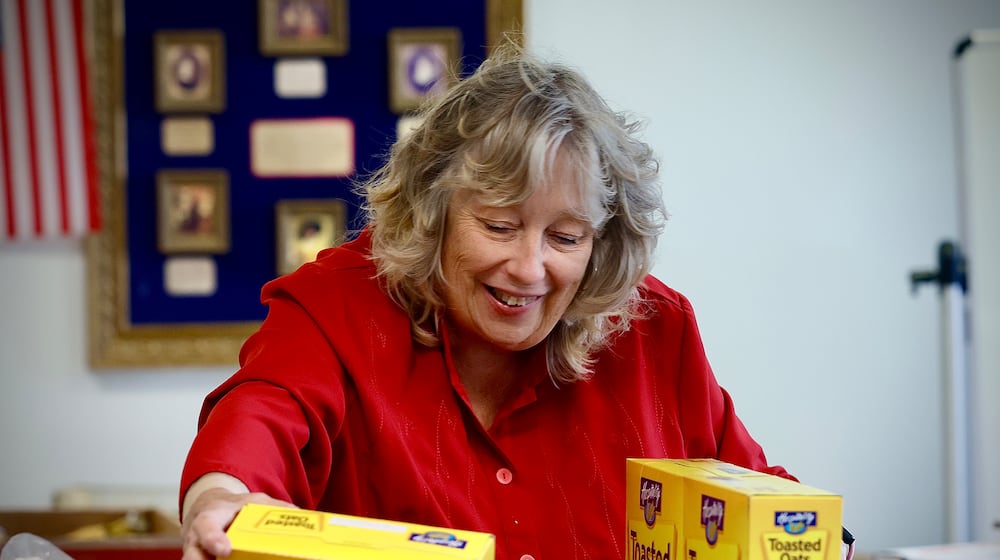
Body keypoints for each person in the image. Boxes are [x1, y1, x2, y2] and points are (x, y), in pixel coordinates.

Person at [179, 45, 807, 560]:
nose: (530, 269)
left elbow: (756, 498)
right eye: (500, 226)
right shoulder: (337, 305)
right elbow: (258, 419)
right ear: (435, 213)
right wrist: (220, 496)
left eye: (565, 237)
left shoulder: (655, 330)